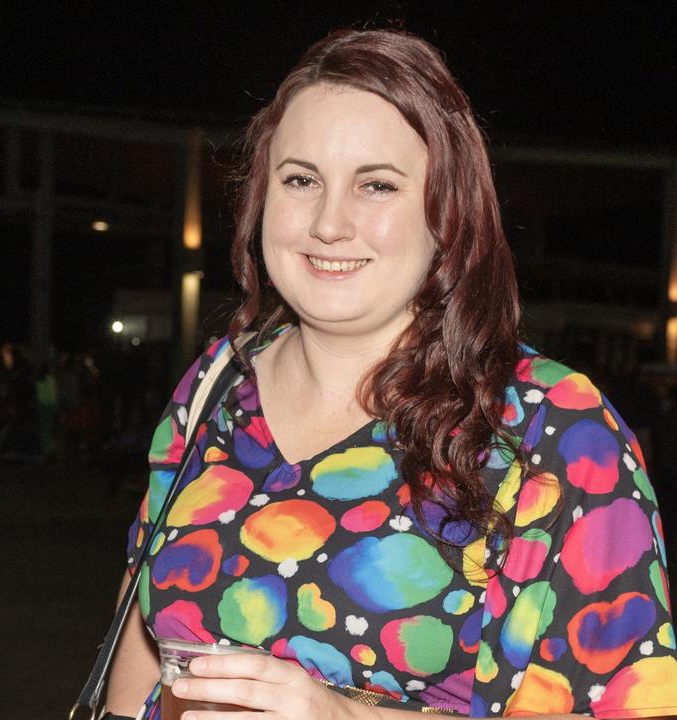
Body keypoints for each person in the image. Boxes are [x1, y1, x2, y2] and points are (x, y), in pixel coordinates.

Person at [104, 29, 676, 719]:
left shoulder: (553, 428)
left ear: (447, 213)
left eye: (375, 185)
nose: (328, 223)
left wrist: (349, 716)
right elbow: (142, 619)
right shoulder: (215, 383)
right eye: (299, 180)